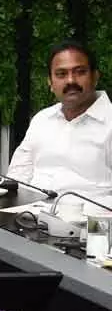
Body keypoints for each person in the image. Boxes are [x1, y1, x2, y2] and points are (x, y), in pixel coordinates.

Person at [8, 40, 112, 211]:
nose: (71, 80)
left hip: (90, 228)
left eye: (80, 72)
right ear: (50, 82)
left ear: (95, 77)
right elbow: (17, 176)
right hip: (31, 220)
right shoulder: (42, 120)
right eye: (61, 74)